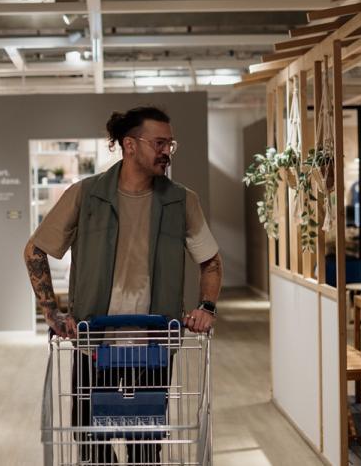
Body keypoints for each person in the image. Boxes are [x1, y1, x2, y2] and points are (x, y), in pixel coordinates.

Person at [24, 106, 222, 464]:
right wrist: (51, 312)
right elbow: (35, 251)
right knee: (93, 450)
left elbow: (211, 262)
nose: (167, 151)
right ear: (129, 145)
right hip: (93, 346)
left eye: (171, 144)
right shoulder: (86, 196)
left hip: (154, 347)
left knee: (146, 450)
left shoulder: (182, 200)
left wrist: (206, 307)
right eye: (159, 143)